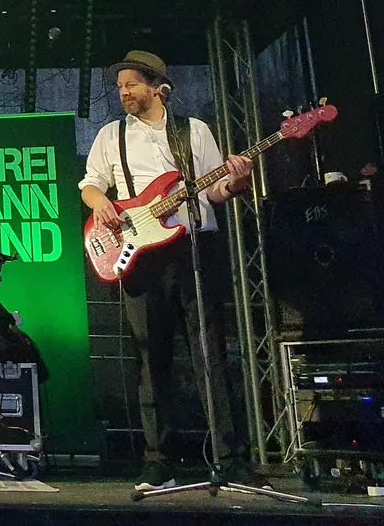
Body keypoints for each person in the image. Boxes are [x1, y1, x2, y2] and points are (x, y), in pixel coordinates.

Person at [78, 51, 259, 492]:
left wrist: (237, 180)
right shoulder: (110, 134)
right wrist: (100, 201)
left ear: (157, 87)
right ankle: (158, 457)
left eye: (131, 85)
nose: (123, 93)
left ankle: (228, 455)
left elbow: (216, 190)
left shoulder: (192, 130)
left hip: (193, 247)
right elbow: (90, 183)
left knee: (209, 352)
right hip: (140, 253)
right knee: (150, 357)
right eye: (119, 86)